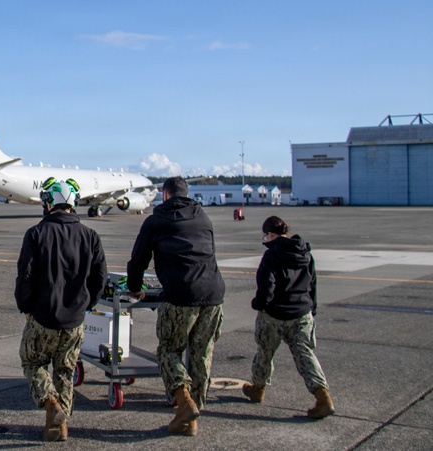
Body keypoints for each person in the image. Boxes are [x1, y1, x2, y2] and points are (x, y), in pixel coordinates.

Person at [126, 176, 225, 437]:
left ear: (165, 194)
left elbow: (138, 260)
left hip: (181, 295)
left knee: (169, 352)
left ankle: (184, 402)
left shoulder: (156, 221)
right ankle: (191, 419)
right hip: (214, 293)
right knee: (201, 355)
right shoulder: (203, 217)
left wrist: (135, 287)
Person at [16, 178, 107, 442]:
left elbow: (26, 276)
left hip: (43, 316)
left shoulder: (35, 233)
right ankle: (59, 426)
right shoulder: (90, 235)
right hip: (74, 320)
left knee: (32, 362)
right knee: (65, 370)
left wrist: (26, 307)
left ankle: (51, 405)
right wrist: (86, 305)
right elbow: (99, 278)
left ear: (48, 202)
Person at [242, 216, 335, 419]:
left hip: (275, 314)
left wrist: (259, 304)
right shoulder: (305, 254)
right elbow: (313, 286)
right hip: (302, 313)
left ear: (270, 234)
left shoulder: (272, 255)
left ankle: (258, 388)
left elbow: (267, 287)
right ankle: (323, 397)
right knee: (305, 354)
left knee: (265, 352)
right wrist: (313, 310)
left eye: (266, 235)